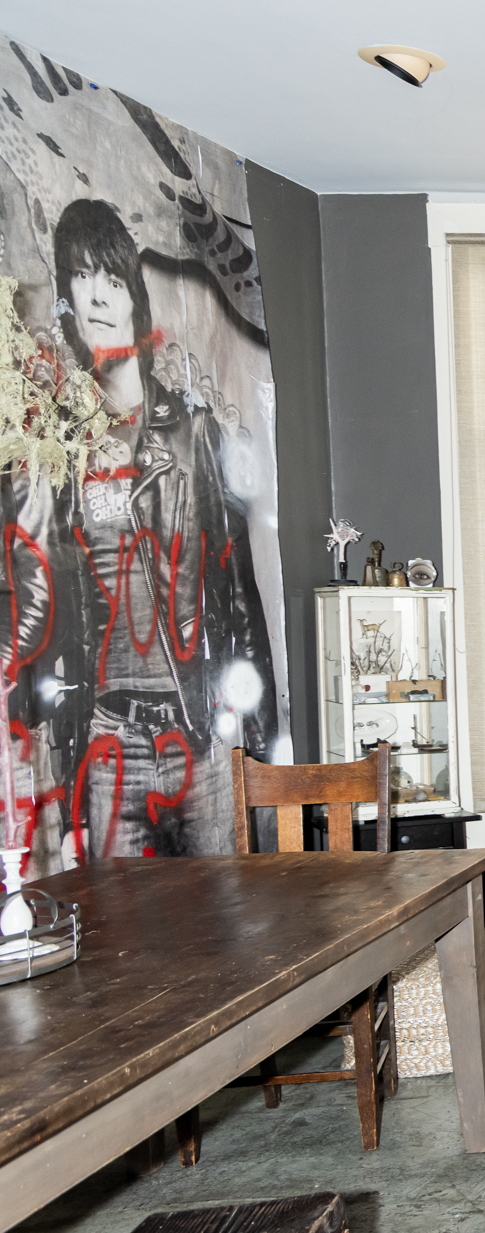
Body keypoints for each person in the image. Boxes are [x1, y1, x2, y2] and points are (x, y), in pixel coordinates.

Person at [35, 197, 277, 858]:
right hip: (110, 744)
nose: (98, 297)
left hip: (200, 738)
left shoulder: (196, 434)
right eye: (82, 279)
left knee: (229, 931)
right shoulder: (62, 453)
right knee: (121, 940)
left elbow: (238, 594)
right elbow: (45, 607)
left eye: (112, 279)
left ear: (135, 300)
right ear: (67, 300)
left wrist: (259, 741)